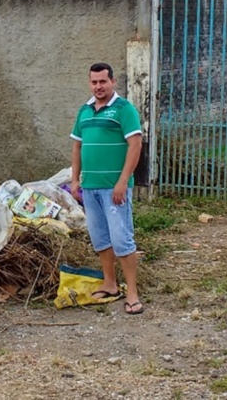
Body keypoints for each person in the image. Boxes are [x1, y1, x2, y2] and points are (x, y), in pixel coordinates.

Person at [69, 63, 144, 315]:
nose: (99, 86)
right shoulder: (84, 111)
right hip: (90, 188)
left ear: (113, 82)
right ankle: (110, 284)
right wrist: (75, 180)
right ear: (89, 83)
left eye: (103, 81)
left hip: (115, 189)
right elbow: (77, 147)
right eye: (94, 82)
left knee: (122, 239)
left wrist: (123, 181)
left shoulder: (124, 109)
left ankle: (132, 292)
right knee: (100, 238)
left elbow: (135, 145)